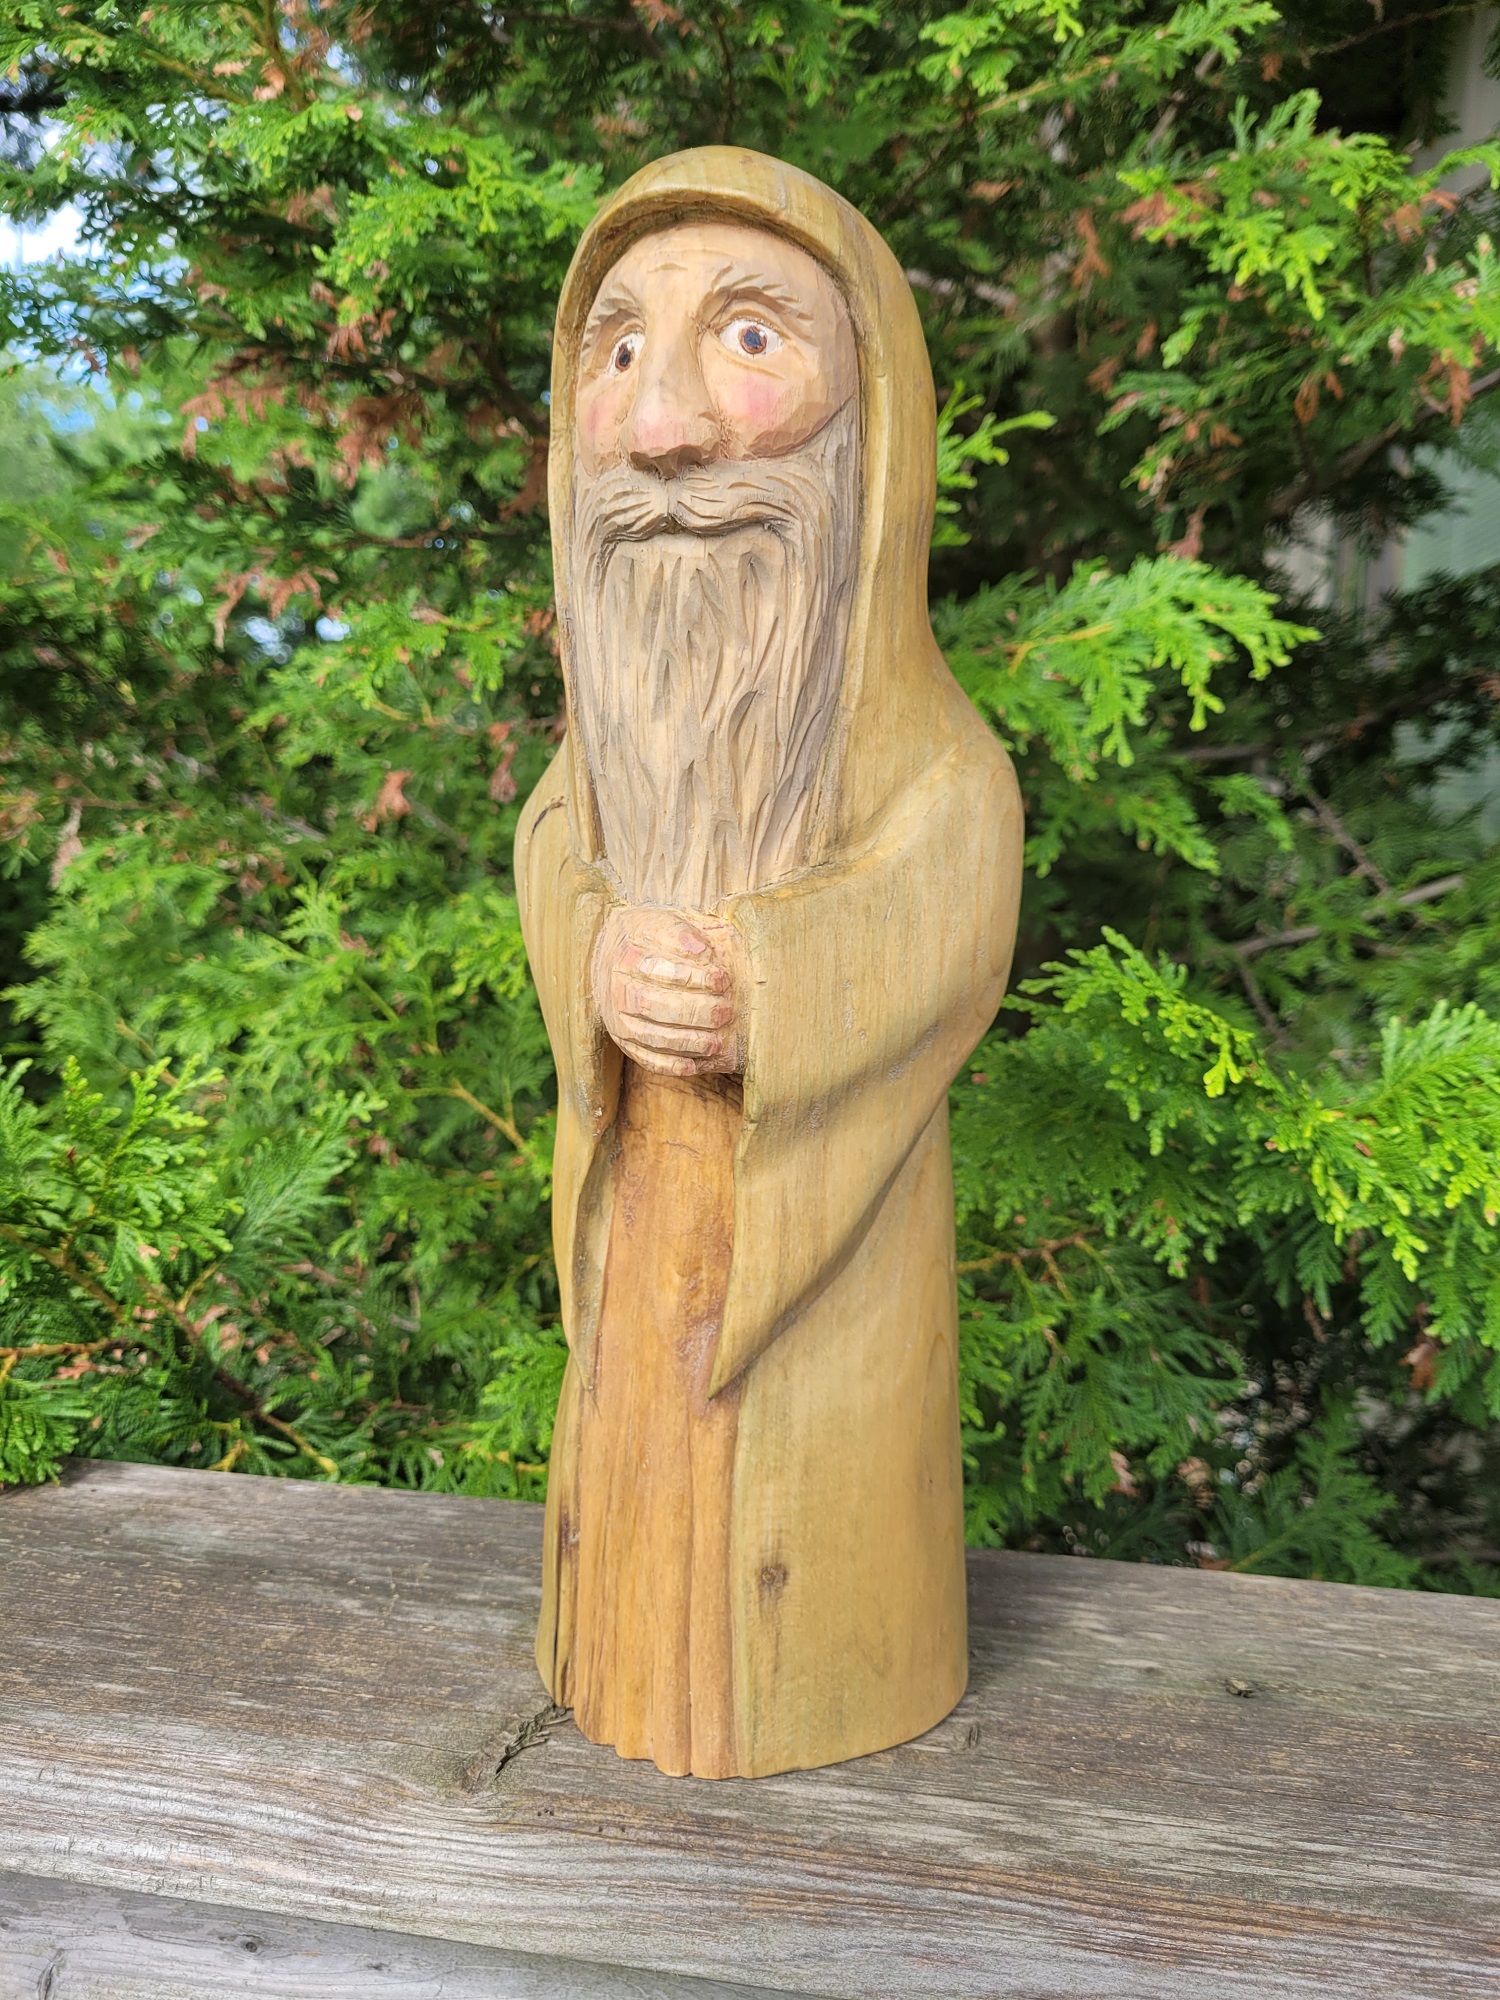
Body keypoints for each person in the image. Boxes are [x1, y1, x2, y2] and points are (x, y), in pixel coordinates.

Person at [517, 146, 1023, 1779]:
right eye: (618, 352)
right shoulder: (587, 767)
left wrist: (773, 985)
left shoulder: (939, 769)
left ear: (877, 417)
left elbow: (948, 917)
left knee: (801, 1519)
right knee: (632, 1470)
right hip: (640, 1246)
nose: (664, 428)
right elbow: (553, 855)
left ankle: (817, 1673)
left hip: (829, 1306)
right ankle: (611, 1650)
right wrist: (598, 951)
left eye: (749, 339)